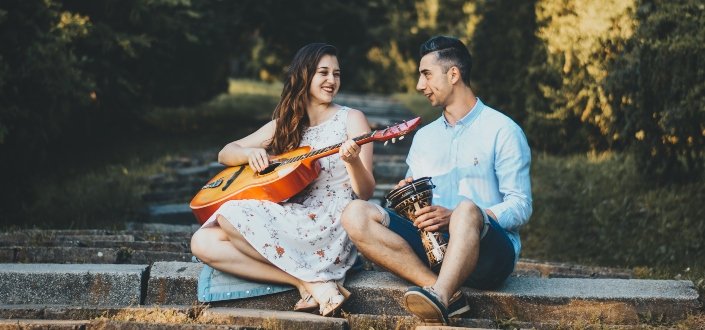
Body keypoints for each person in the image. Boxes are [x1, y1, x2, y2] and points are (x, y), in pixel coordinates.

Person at [341, 36, 532, 325]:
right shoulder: (424, 137)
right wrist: (403, 197)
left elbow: (521, 206)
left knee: (467, 209)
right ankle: (444, 293)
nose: (420, 85)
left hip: (488, 255)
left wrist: (458, 217)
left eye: (426, 74)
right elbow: (413, 197)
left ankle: (440, 296)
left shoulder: (503, 131)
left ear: (453, 74)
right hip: (432, 248)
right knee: (355, 213)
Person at [190, 43, 375, 317]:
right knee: (201, 242)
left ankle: (314, 279)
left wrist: (352, 161)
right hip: (294, 215)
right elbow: (225, 152)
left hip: (331, 224)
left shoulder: (352, 119)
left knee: (228, 215)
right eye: (323, 72)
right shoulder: (287, 123)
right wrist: (250, 153)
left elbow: (366, 192)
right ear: (304, 75)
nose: (331, 80)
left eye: (336, 74)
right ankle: (306, 282)